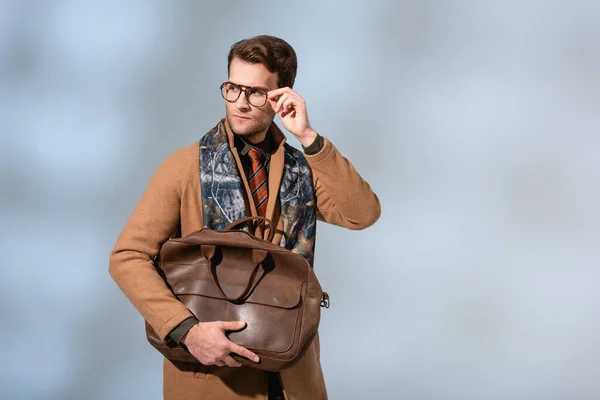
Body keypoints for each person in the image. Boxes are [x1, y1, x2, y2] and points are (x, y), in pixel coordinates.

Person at [109, 35, 381, 400]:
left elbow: (362, 213)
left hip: (292, 376)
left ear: (281, 95)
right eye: (232, 88)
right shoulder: (186, 166)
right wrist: (187, 330)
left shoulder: (303, 169)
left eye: (255, 92)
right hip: (214, 378)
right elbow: (127, 257)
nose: (239, 103)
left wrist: (309, 138)